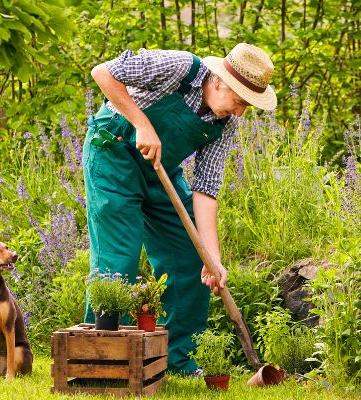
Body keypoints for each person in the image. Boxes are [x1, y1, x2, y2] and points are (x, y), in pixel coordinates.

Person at [82, 43, 277, 375]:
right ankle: (103, 360)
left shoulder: (224, 124)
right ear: (219, 82)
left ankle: (176, 358)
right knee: (119, 259)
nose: (240, 112)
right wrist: (142, 124)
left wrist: (212, 259)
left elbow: (206, 189)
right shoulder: (179, 67)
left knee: (191, 256)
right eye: (240, 101)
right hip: (113, 155)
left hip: (160, 171)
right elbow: (103, 73)